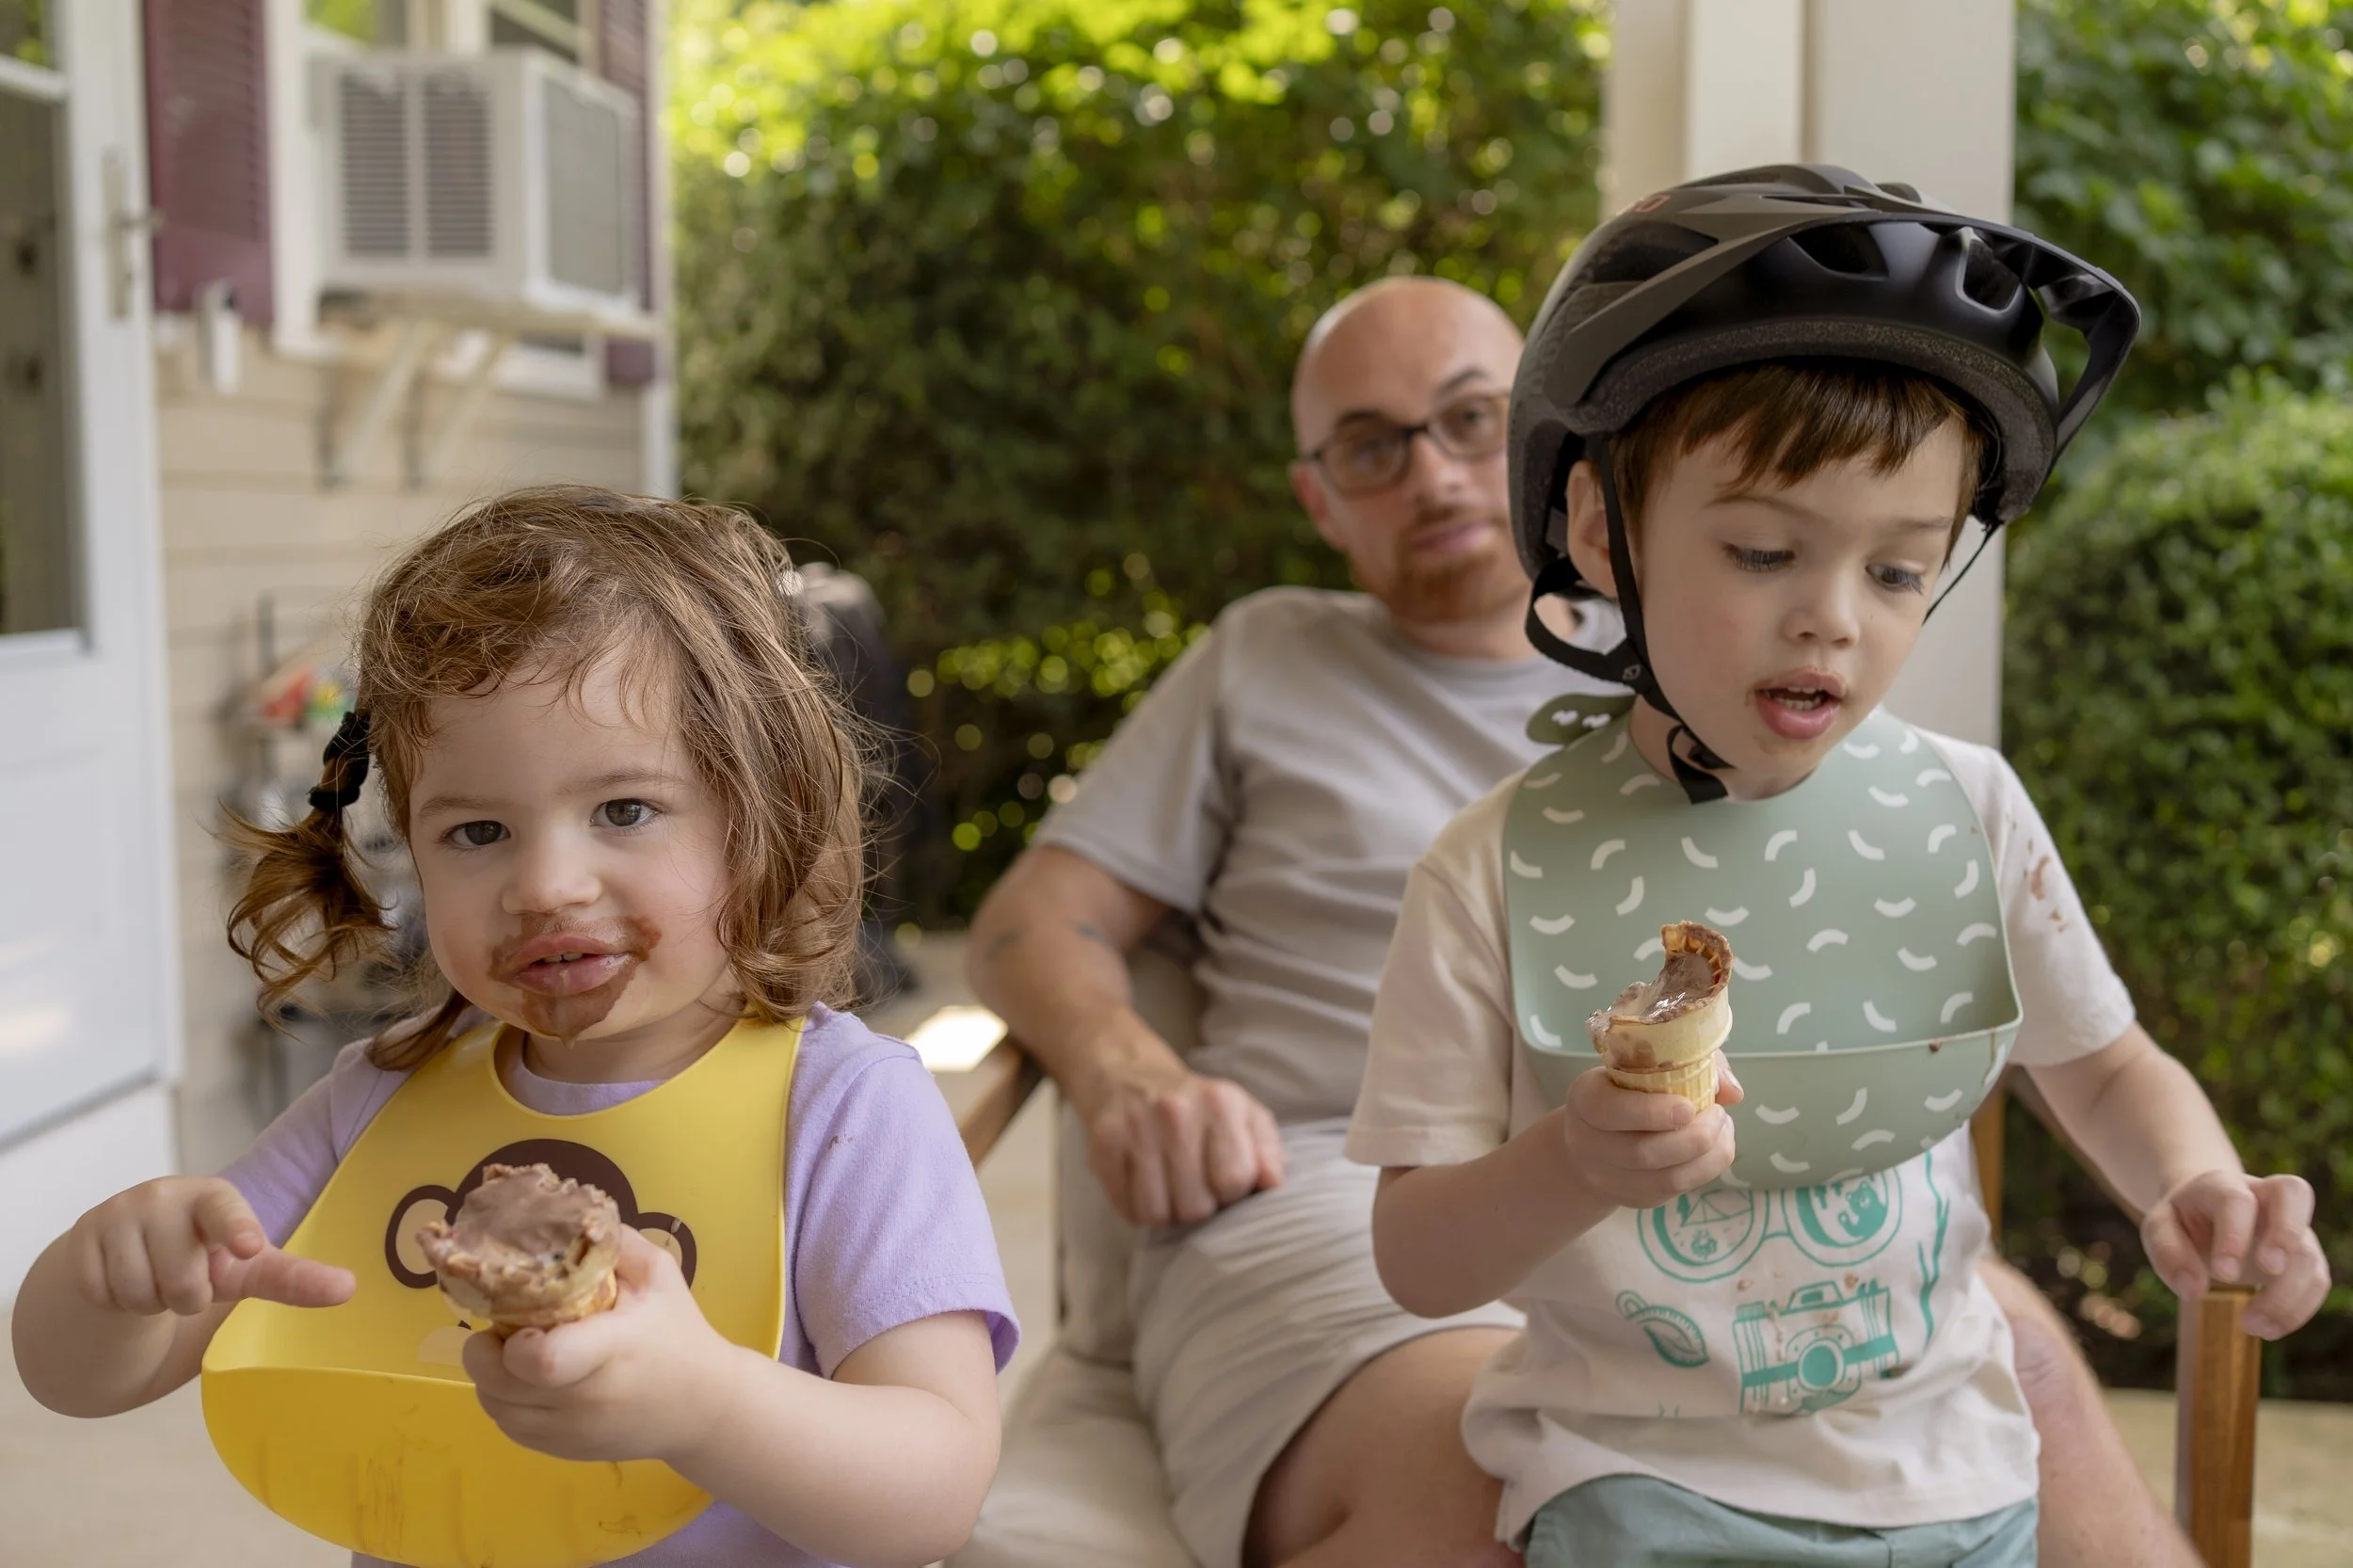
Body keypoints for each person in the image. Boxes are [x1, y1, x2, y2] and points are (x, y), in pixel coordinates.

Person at [968, 268, 2212, 1566]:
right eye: (1371, 447)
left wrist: (2190, 1185)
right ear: (1319, 498)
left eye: (1466, 419)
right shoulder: (1268, 665)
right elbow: (1032, 918)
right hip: (1342, 1178)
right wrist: (1127, 1075)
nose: (1435, 475)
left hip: (1756, 1187)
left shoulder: (1785, 677)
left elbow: (2084, 1058)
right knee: (1503, 1484)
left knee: (2028, 1382)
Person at [1349, 166, 2330, 1565]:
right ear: (1593, 532)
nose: (1831, 621)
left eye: (1895, 571)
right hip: (1636, 1489)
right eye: (1763, 549)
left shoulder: (1971, 809)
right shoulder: (1489, 868)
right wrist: (1571, 1160)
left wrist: (2194, 1183)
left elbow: (2104, 1067)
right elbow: (1417, 1261)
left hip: (1961, 1475)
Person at [11, 488, 1017, 1568]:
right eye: (477, 830)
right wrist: (111, 1276)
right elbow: (75, 1378)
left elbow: (935, 1490)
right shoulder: (379, 1098)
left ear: (760, 810)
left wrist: (706, 1405)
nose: (545, 884)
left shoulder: (845, 1114)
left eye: (624, 810)